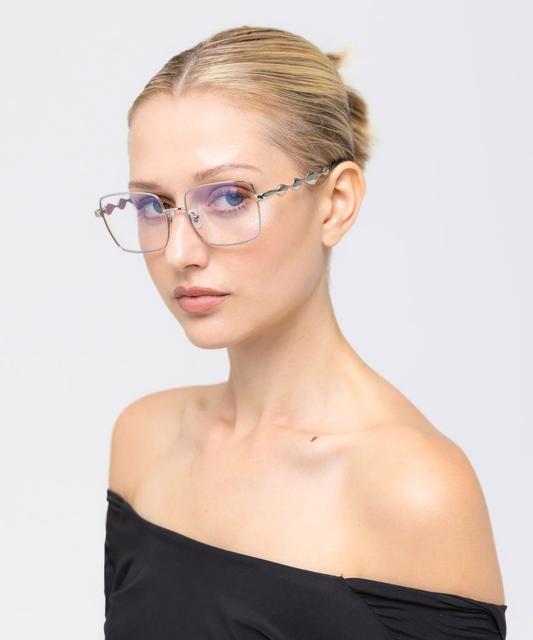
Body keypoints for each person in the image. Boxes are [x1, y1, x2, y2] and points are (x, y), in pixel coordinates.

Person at [98, 25, 507, 639]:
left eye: (229, 197)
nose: (180, 251)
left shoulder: (413, 489)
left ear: (336, 203)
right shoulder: (145, 440)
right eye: (153, 206)